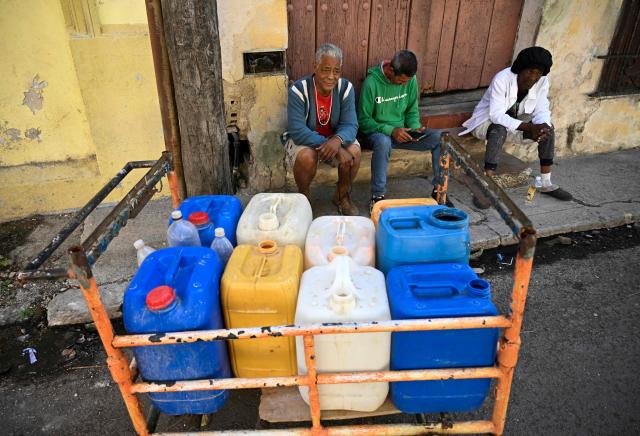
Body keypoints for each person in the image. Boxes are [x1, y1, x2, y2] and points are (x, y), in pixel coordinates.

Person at [460, 46, 572, 209]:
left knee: (549, 128)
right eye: (530, 71)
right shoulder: (502, 78)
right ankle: (485, 185)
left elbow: (541, 109)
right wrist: (528, 127)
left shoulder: (542, 82)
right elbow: (496, 115)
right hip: (486, 124)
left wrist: (542, 127)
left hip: (517, 124)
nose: (533, 77)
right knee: (499, 129)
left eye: (538, 73)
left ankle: (546, 183)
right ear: (521, 68)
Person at [358, 50, 451, 211]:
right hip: (376, 134)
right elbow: (364, 121)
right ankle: (377, 196)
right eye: (401, 81)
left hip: (402, 132)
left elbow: (411, 110)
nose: (404, 85)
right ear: (390, 71)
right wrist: (391, 130)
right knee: (383, 141)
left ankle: (439, 191)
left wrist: (415, 128)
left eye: (406, 82)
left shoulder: (410, 80)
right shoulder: (371, 83)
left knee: (440, 138)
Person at [283, 43, 360, 215]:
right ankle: (303, 196)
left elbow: (351, 124)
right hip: (307, 140)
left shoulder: (345, 88)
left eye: (336, 71)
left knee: (354, 151)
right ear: (315, 68)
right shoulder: (299, 90)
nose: (331, 76)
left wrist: (338, 141)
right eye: (326, 69)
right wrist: (332, 145)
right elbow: (297, 131)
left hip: (334, 139)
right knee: (306, 157)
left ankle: (342, 195)